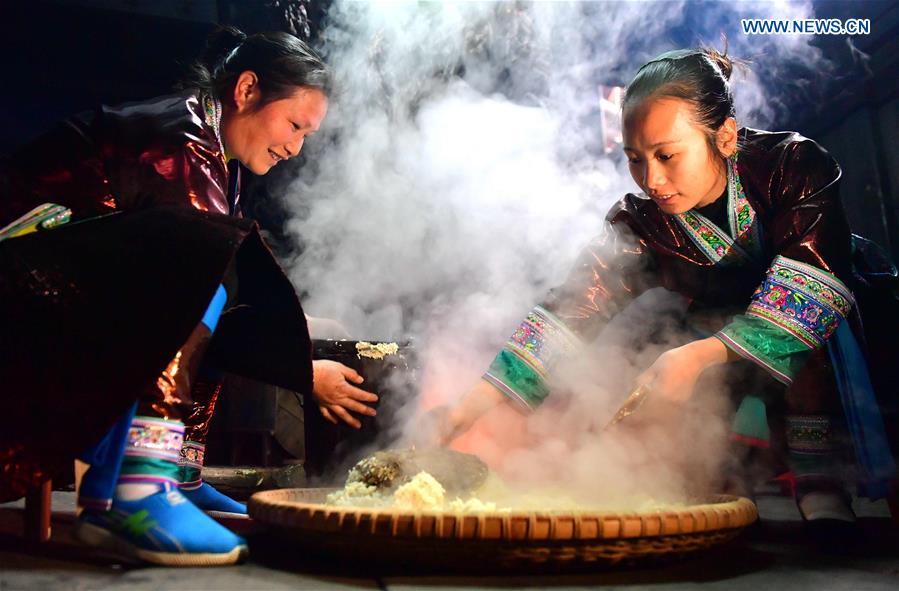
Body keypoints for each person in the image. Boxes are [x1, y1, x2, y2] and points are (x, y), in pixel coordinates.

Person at [436, 48, 898, 527]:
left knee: (803, 362)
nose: (652, 181)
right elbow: (573, 308)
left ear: (725, 136)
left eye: (667, 155)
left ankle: (820, 479)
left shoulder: (793, 164)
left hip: (841, 325)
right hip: (717, 332)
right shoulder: (639, 223)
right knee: (684, 454)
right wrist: (474, 402)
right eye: (635, 159)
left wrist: (696, 357)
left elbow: (813, 287)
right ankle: (730, 479)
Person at [0, 26, 376, 565]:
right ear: (246, 90)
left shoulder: (212, 149)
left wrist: (296, 341)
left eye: (306, 136)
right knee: (200, 264)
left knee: (219, 275)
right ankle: (139, 487)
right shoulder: (178, 141)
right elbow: (186, 283)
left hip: (53, 291)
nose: (296, 148)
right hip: (18, 292)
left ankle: (176, 473)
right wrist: (303, 371)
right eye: (295, 125)